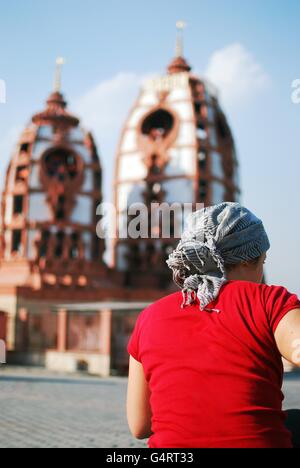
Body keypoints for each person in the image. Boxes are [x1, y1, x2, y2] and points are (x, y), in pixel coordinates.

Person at [126, 202, 300, 448]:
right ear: (247, 261)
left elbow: (139, 425)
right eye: (263, 261)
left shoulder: (149, 317)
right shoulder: (267, 301)